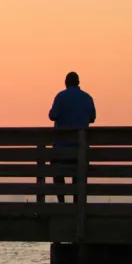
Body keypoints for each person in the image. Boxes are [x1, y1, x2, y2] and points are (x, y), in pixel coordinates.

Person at [48, 71, 96, 203]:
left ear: (66, 83)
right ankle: (77, 203)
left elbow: (52, 115)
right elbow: (92, 118)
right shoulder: (87, 98)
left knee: (56, 171)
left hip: (62, 150)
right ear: (78, 83)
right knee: (79, 173)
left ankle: (62, 202)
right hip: (81, 150)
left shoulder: (61, 97)